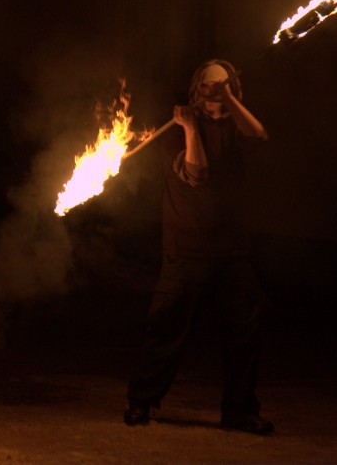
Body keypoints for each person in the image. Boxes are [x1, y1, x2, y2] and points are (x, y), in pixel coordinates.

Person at [124, 59, 273, 435]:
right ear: (196, 88)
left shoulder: (239, 126)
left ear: (233, 89)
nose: (215, 88)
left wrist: (229, 100)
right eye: (209, 83)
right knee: (165, 328)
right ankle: (142, 401)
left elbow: (258, 134)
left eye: (224, 83)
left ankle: (239, 411)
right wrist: (191, 129)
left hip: (231, 249)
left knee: (246, 328)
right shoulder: (175, 130)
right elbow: (196, 174)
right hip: (185, 247)